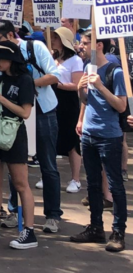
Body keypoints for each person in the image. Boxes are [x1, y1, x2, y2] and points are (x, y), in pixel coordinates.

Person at [0, 21, 63, 232]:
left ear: (10, 35)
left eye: (0, 40)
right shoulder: (0, 57)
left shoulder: (35, 47)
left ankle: (53, 215)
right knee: (15, 163)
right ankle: (15, 211)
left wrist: (27, 84)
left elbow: (55, 75)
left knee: (48, 164)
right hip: (14, 114)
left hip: (43, 110)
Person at [69, 37, 127, 252]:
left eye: (84, 42)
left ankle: (118, 231)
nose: (80, 46)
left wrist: (100, 86)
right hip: (89, 134)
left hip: (109, 136)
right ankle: (96, 227)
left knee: (114, 185)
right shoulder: (87, 67)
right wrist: (80, 89)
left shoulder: (116, 72)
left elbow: (121, 106)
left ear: (98, 45)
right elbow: (86, 100)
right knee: (92, 184)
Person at [0, 40, 38, 249]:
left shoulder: (25, 80)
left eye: (0, 59)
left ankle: (29, 231)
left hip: (15, 134)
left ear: (12, 59)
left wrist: (1, 98)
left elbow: (25, 112)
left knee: (20, 183)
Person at [51, 27, 84, 194]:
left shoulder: (76, 61)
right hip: (53, 101)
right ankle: (49, 175)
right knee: (52, 139)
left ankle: (75, 179)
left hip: (68, 104)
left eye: (56, 37)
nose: (53, 40)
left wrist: (57, 84)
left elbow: (77, 85)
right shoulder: (53, 57)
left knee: (72, 142)